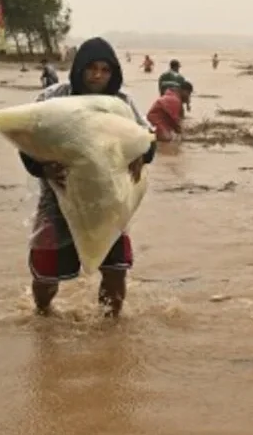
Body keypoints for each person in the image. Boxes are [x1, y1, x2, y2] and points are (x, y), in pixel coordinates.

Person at [18, 37, 156, 318]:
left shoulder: (122, 102)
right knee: (46, 276)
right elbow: (26, 140)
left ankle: (110, 333)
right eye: (91, 68)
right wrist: (42, 168)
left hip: (107, 201)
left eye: (105, 69)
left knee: (115, 270)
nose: (98, 75)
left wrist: (142, 152)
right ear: (79, 68)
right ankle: (43, 320)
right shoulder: (52, 98)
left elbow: (147, 136)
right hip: (58, 200)